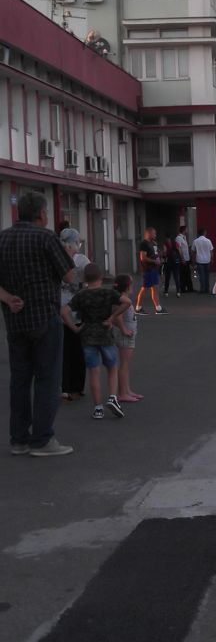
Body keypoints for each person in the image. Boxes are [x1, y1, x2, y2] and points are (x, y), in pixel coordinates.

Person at [0, 191, 75, 456]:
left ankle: (18, 438)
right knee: (47, 377)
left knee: (19, 379)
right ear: (42, 214)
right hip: (44, 317)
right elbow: (68, 276)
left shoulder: (3, 237)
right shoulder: (46, 237)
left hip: (15, 320)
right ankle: (42, 440)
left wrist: (8, 298)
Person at [61, 263, 129, 420]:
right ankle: (112, 397)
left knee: (94, 371)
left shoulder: (81, 295)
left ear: (85, 278)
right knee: (112, 367)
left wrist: (75, 328)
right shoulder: (108, 293)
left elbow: (64, 312)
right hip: (105, 335)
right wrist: (112, 317)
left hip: (87, 337)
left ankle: (98, 408)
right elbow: (127, 302)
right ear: (101, 277)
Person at [59, 228, 90, 401]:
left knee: (71, 352)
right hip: (70, 312)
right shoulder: (77, 259)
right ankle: (72, 387)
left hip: (68, 311)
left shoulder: (79, 259)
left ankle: (71, 387)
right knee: (72, 351)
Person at [112, 274, 142, 403]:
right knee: (124, 365)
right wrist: (124, 329)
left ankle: (127, 390)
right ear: (128, 286)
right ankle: (122, 393)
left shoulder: (124, 299)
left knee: (126, 365)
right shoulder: (123, 300)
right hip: (126, 336)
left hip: (129, 335)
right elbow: (117, 316)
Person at [135, 227, 163, 314]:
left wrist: (160, 258)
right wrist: (155, 261)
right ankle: (138, 308)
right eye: (154, 233)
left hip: (154, 269)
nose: (155, 235)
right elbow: (143, 258)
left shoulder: (154, 243)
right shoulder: (144, 244)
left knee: (155, 288)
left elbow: (156, 254)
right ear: (148, 234)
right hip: (147, 269)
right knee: (145, 288)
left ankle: (158, 308)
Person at [192, 228, 214, 294]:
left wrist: (193, 261)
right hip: (207, 260)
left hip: (199, 260)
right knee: (207, 275)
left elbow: (193, 252)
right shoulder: (208, 241)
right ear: (204, 233)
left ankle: (202, 289)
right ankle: (207, 288)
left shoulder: (195, 241)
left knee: (201, 275)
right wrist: (212, 259)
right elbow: (211, 251)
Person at [162, 231, 181, 298]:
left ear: (166, 237)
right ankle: (178, 292)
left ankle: (166, 292)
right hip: (176, 262)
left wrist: (163, 257)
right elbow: (180, 251)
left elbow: (164, 252)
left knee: (167, 277)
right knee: (176, 277)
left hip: (168, 262)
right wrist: (180, 259)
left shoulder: (165, 244)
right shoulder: (176, 243)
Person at [175, 225, 193, 293]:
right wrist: (182, 259)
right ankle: (183, 288)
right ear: (183, 230)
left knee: (187, 273)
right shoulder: (178, 238)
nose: (187, 231)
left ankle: (189, 287)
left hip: (187, 258)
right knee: (182, 274)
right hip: (182, 259)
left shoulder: (184, 237)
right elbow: (178, 248)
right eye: (186, 229)